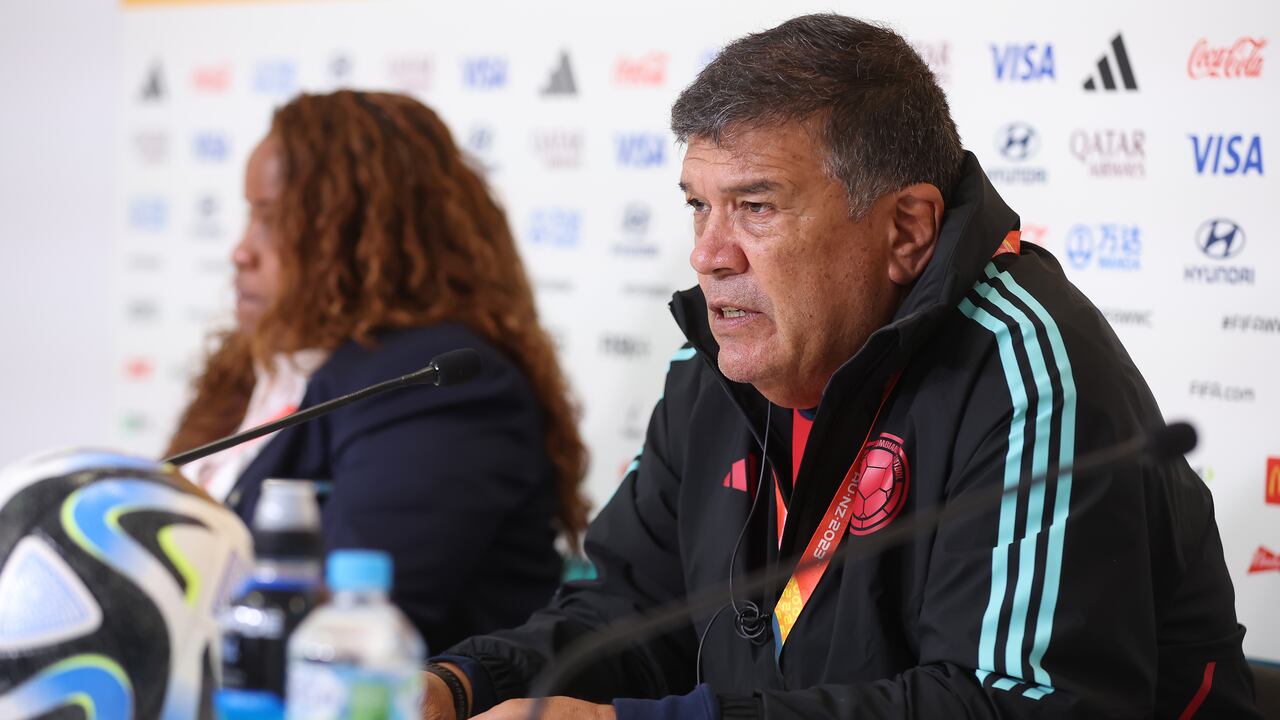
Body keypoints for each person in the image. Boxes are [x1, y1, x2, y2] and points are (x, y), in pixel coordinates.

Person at [420, 15, 1261, 720]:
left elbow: (1016, 705)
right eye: (698, 207)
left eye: (755, 206)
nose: (708, 253)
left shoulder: (1026, 368)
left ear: (906, 232)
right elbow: (627, 612)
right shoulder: (713, 364)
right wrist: (458, 687)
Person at [165, 90, 589, 651]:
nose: (241, 251)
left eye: (271, 218)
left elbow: (347, 631)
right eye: (249, 215)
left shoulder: (431, 387)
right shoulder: (254, 366)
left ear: (354, 231)